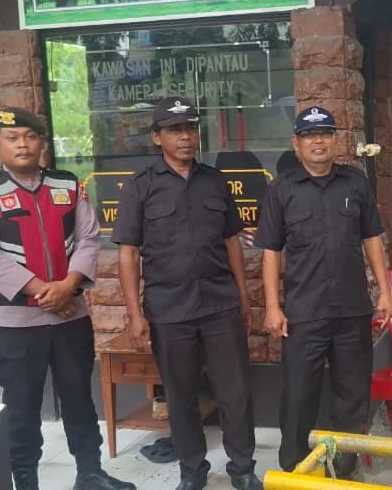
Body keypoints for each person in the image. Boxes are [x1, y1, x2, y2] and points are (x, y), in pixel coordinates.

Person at [0, 107, 134, 490]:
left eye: (30, 136)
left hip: (72, 320)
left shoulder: (67, 185)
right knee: (21, 411)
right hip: (16, 328)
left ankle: (90, 474)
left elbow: (89, 238)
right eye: (12, 138)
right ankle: (26, 482)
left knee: (80, 402)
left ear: (42, 143)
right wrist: (48, 291)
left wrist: (68, 286)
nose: (22, 144)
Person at [112, 98, 262, 490]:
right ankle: (192, 471)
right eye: (175, 130)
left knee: (235, 393)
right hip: (169, 310)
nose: (185, 137)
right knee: (180, 397)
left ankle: (243, 470)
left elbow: (231, 242)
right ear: (156, 137)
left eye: (191, 128)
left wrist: (243, 299)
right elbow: (128, 254)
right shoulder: (140, 186)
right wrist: (134, 314)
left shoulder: (215, 181)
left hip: (220, 304)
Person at [255, 106, 392, 478]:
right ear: (296, 143)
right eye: (309, 135)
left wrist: (385, 291)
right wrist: (272, 307)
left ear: (335, 140)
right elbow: (270, 252)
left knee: (352, 394)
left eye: (325, 134)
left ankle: (344, 469)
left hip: (352, 310)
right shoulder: (281, 189)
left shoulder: (355, 183)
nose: (318, 141)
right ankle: (295, 468)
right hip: (304, 312)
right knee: (298, 395)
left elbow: (372, 238)